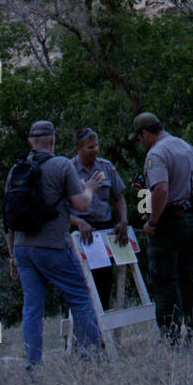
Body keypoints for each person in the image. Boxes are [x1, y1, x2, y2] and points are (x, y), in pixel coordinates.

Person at [5, 119, 105, 370]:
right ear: (52, 140)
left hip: (22, 248)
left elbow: (7, 218)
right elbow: (81, 204)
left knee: (32, 308)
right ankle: (89, 361)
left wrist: (12, 255)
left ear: (30, 142)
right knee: (81, 300)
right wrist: (90, 188)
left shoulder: (15, 170)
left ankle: (33, 367)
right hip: (52, 246)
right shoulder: (61, 164)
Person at [131, 112, 193, 345]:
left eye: (139, 138)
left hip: (169, 221)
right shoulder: (184, 146)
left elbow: (161, 189)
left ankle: (170, 334)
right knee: (187, 275)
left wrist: (152, 222)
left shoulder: (157, 153)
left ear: (145, 133)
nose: (140, 143)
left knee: (164, 278)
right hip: (190, 216)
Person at [69, 127, 129, 310]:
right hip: (80, 231)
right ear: (78, 148)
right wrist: (78, 222)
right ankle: (80, 334)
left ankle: (105, 333)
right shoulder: (68, 170)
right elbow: (58, 209)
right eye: (89, 147)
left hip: (103, 228)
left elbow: (118, 197)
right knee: (79, 283)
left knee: (104, 281)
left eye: (96, 146)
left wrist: (123, 220)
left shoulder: (105, 167)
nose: (94, 150)